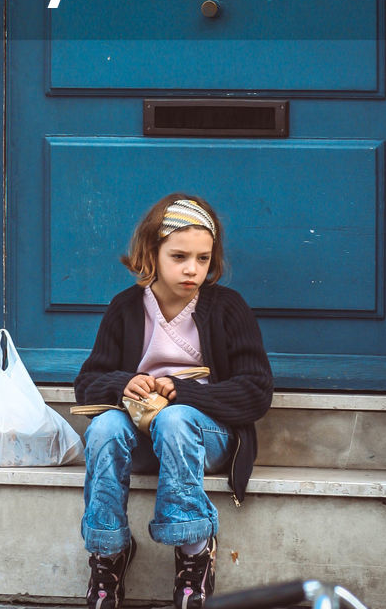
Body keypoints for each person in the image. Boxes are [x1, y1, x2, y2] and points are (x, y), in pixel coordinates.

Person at [74, 193, 273, 609]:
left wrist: (184, 392)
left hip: (203, 436)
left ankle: (194, 552)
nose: (192, 269)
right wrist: (124, 384)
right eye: (179, 256)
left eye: (203, 259)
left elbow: (256, 392)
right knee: (105, 427)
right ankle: (108, 553)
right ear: (152, 252)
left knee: (177, 418)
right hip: (143, 435)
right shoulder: (126, 308)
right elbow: (88, 382)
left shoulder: (227, 308)